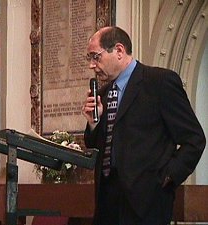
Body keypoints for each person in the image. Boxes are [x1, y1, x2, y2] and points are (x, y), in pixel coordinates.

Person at [82, 26, 206, 225]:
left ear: (119, 51)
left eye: (96, 57)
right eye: (89, 58)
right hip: (107, 201)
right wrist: (93, 123)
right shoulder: (104, 93)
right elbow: (97, 144)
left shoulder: (159, 82)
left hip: (147, 202)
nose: (91, 65)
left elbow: (194, 139)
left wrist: (167, 178)